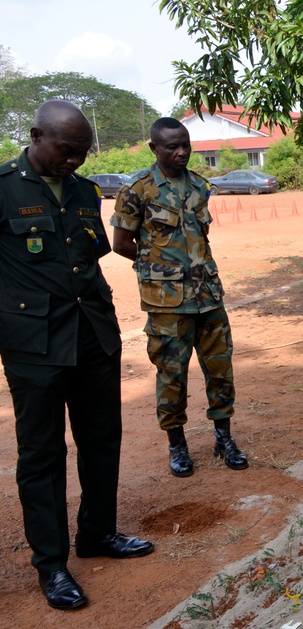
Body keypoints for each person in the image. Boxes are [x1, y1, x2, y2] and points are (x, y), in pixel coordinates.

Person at [0, 100, 154, 610]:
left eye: (82, 154)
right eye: (67, 152)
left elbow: (89, 261)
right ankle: (51, 564)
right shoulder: (3, 189)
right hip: (35, 346)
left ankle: (98, 535)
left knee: (101, 439)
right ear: (36, 135)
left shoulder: (87, 194)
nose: (74, 163)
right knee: (42, 456)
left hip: (92, 337)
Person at [111, 118, 248, 477]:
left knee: (221, 371)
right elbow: (122, 245)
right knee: (171, 376)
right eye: (172, 146)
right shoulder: (137, 190)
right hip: (167, 305)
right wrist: (160, 269)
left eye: (185, 144)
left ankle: (224, 439)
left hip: (209, 297)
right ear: (155, 148)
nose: (181, 151)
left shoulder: (200, 186)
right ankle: (177, 446)